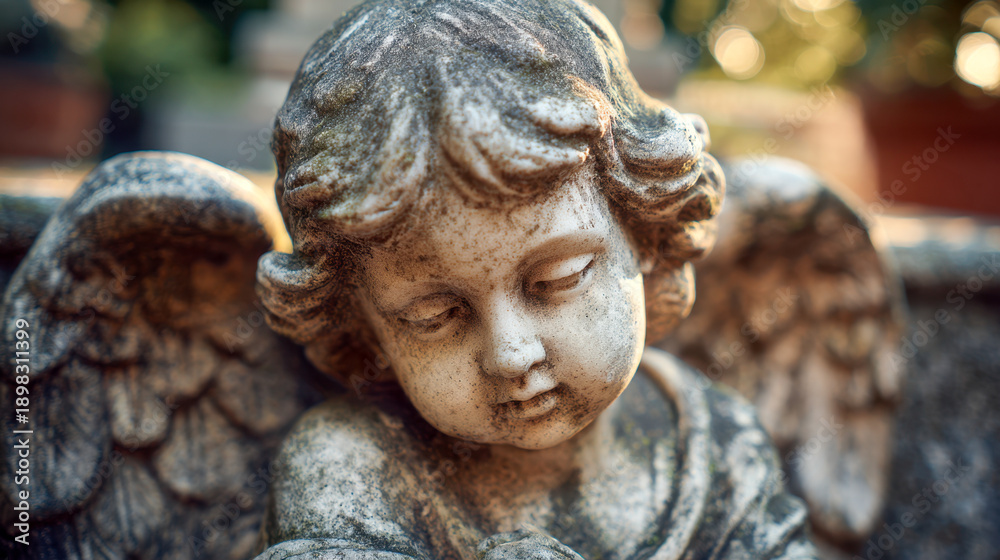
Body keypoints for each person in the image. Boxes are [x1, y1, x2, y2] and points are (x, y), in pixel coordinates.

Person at [254, 0, 818, 558]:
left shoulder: (718, 447)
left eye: (558, 279)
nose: (511, 354)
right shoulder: (351, 469)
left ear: (645, 233)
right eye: (436, 317)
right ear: (363, 326)